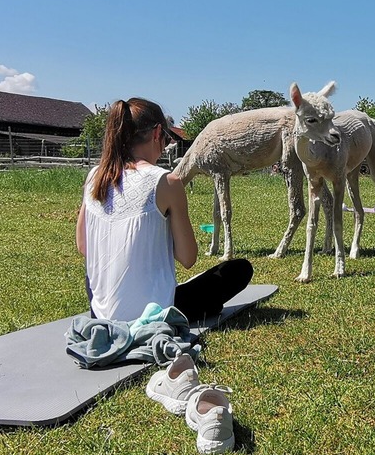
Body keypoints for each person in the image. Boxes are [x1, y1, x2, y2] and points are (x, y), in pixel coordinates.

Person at [77, 98, 252, 322]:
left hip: (100, 311)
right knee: (238, 270)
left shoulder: (95, 176)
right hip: (153, 315)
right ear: (157, 133)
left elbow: (84, 246)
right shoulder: (166, 181)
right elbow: (187, 257)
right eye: (167, 138)